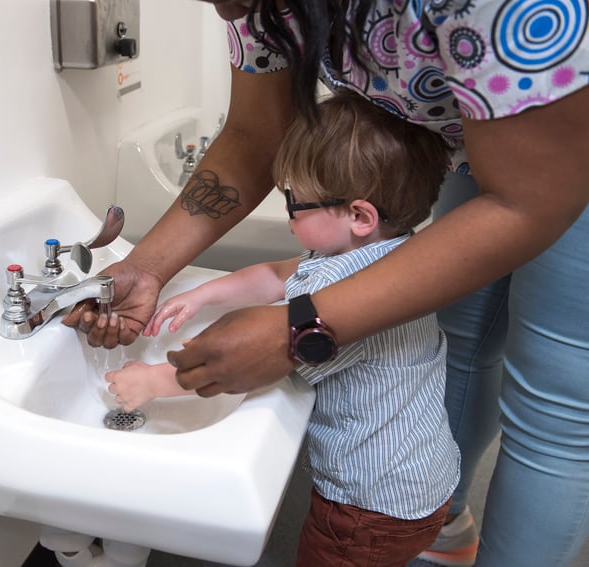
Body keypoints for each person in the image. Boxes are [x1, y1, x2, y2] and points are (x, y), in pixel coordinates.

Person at [64, 1, 589, 565]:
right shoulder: (379, 241)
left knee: (556, 403)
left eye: (294, 201)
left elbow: (525, 200)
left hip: (566, 140)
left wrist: (290, 331)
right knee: (468, 338)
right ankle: (439, 521)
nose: (216, 7)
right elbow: (255, 140)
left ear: (360, 216)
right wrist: (154, 272)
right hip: (410, 490)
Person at [106, 92, 458, 565]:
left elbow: (246, 363)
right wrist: (200, 294)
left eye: (295, 200)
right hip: (422, 482)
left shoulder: (344, 288)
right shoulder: (389, 256)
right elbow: (275, 276)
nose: (287, 208)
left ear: (358, 215)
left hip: (367, 508)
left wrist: (152, 381)